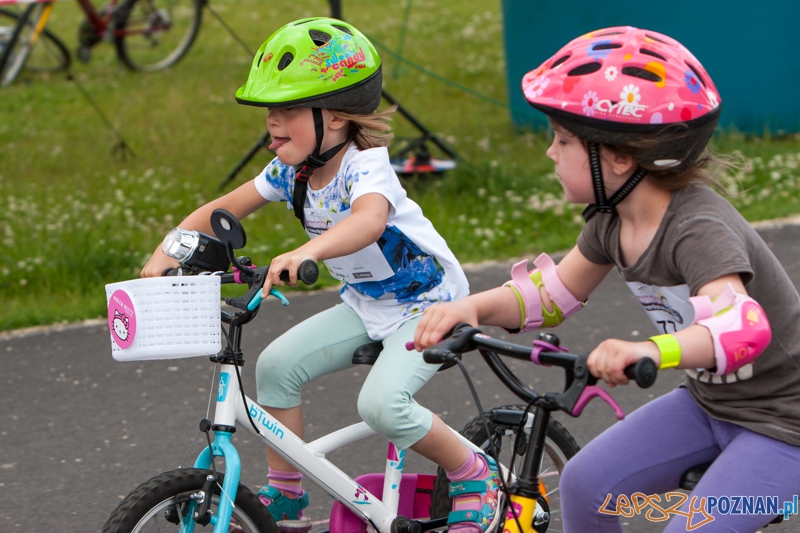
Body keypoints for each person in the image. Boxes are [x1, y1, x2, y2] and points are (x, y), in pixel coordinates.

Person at [413, 26, 800, 532]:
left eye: (564, 139)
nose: (551, 152)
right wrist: (474, 309)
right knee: (586, 483)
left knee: (697, 526)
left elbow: (741, 329)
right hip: (710, 404)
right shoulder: (613, 221)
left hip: (784, 426)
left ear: (618, 157)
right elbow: (551, 294)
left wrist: (651, 351)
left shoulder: (697, 229)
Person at [141, 17, 502, 533]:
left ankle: (474, 473)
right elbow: (225, 208)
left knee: (381, 405)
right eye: (270, 110)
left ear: (334, 117)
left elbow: (368, 221)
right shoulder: (292, 170)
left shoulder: (366, 166)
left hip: (430, 306)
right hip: (367, 304)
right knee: (274, 367)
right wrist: (166, 248)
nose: (272, 122)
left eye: (287, 110)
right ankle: (286, 497)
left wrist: (304, 251)